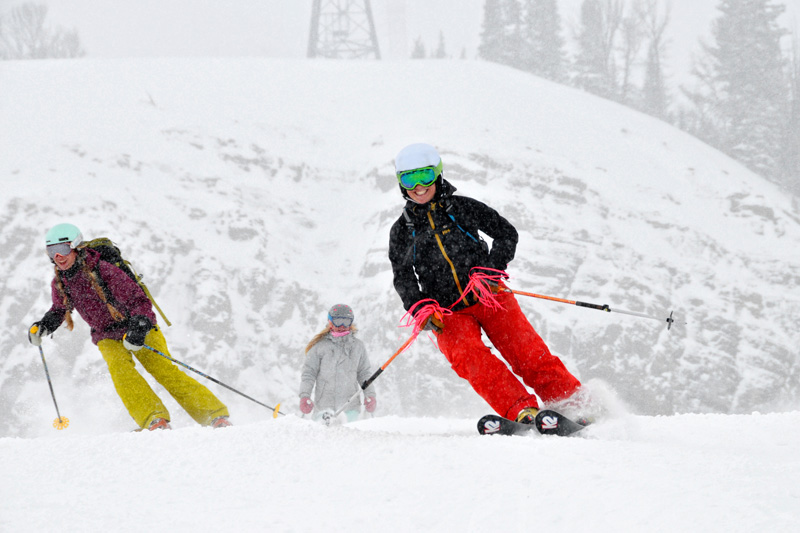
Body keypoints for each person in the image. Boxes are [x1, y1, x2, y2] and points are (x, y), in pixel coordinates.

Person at [388, 143, 585, 424]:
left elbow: (506, 234)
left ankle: (573, 404)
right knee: (471, 360)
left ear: (438, 175)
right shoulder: (402, 231)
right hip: (447, 312)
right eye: (410, 179)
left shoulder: (464, 208)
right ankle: (521, 410)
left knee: (526, 353)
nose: (419, 186)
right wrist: (419, 307)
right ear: (401, 184)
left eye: (425, 176)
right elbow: (403, 275)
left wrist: (491, 270)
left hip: (489, 295)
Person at [28, 223, 231, 431]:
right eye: (51, 252)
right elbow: (59, 309)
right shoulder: (61, 281)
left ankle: (215, 416)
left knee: (164, 371)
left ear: (76, 247)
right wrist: (43, 326)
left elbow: (138, 300)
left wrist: (138, 329)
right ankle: (154, 419)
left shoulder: (104, 269)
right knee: (122, 373)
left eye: (62, 249)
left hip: (136, 326)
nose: (58, 257)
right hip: (106, 334)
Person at [299, 304, 376, 422]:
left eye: (346, 321)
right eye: (338, 321)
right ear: (330, 322)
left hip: (350, 409)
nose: (342, 326)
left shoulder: (358, 346)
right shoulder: (319, 346)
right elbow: (309, 373)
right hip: (323, 408)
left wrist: (370, 395)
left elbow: (364, 373)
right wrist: (305, 396)